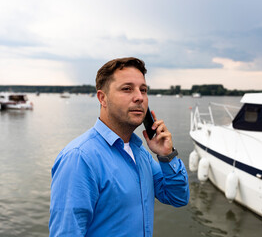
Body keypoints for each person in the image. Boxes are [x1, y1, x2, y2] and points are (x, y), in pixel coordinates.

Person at [49, 57, 190, 236]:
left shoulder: (140, 153)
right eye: (127, 89)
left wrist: (167, 156)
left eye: (143, 90)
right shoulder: (79, 158)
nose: (139, 97)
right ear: (102, 98)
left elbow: (177, 197)